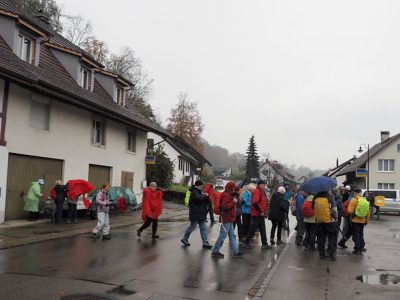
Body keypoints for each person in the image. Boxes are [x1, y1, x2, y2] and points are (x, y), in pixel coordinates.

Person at [211, 182, 243, 258]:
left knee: (232, 235)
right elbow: (225, 207)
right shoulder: (226, 195)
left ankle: (236, 251)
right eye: (233, 188)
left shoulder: (229, 194)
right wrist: (233, 202)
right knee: (223, 235)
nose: (234, 189)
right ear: (231, 188)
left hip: (229, 218)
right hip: (226, 218)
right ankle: (215, 251)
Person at [181, 180, 213, 249]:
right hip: (195, 213)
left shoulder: (200, 191)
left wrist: (206, 196)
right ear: (198, 185)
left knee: (203, 228)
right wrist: (204, 195)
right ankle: (185, 238)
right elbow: (199, 198)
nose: (202, 186)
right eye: (201, 185)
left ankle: (205, 242)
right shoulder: (194, 191)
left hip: (201, 213)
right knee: (192, 227)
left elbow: (204, 200)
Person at [243, 180, 271, 250]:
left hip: (260, 214)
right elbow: (255, 202)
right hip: (257, 214)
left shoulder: (262, 192)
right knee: (253, 229)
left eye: (265, 185)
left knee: (262, 229)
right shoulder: (257, 191)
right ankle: (246, 242)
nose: (264, 186)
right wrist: (261, 211)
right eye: (263, 184)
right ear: (259, 185)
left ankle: (264, 244)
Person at [312, 191, 338, 261]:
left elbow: (313, 208)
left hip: (319, 221)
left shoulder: (315, 198)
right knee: (332, 237)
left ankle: (321, 254)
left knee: (320, 238)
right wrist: (336, 217)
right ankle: (331, 254)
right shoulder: (330, 197)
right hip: (330, 221)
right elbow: (334, 209)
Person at [347, 188, 370, 255]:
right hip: (362, 220)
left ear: (354, 193)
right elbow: (368, 212)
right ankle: (362, 247)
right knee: (361, 234)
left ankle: (357, 249)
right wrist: (366, 221)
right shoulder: (364, 200)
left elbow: (349, 211)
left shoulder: (354, 200)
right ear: (360, 192)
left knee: (356, 235)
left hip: (355, 220)